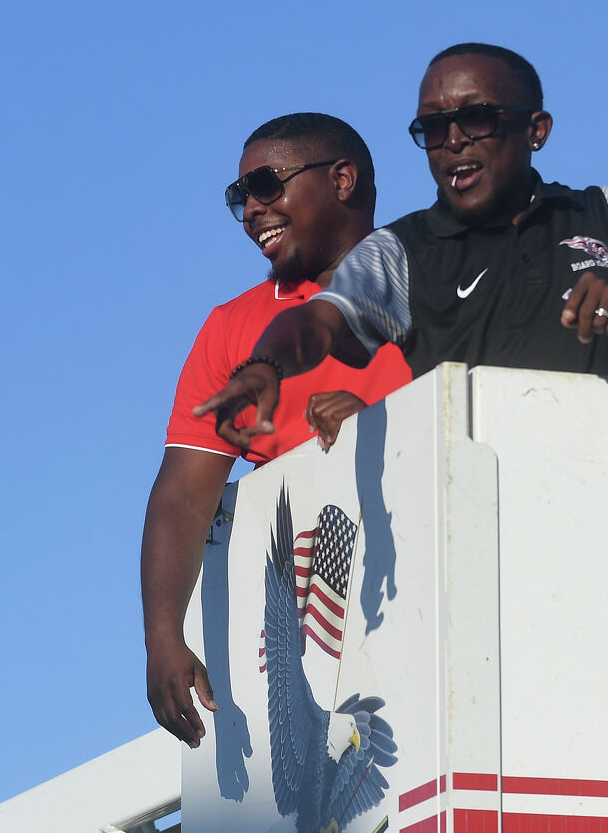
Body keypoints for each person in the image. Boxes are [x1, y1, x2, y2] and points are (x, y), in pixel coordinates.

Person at [191, 43, 608, 452]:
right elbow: (318, 323)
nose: (452, 140)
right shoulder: (401, 249)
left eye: (475, 118)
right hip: (485, 521)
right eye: (432, 126)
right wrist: (267, 365)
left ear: (536, 130)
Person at [144, 112, 413, 747]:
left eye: (267, 185)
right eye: (240, 197)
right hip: (323, 640)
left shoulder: (431, 269)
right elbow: (185, 492)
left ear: (343, 179)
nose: (251, 211)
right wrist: (162, 635)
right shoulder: (228, 328)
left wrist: (385, 422)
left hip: (439, 592)